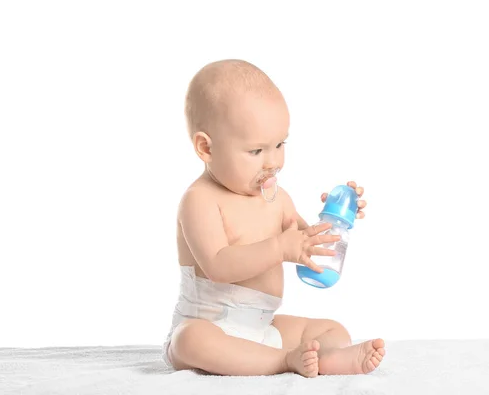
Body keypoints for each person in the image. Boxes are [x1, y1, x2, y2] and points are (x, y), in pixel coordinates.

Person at [162, 59, 385, 377]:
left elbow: (307, 245)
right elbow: (218, 266)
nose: (273, 162)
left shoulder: (278, 198)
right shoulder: (200, 200)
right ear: (206, 148)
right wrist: (280, 248)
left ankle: (321, 360)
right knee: (189, 340)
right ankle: (283, 362)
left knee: (332, 331)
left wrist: (338, 217)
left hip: (263, 329)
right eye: (256, 152)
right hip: (211, 327)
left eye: (280, 145)